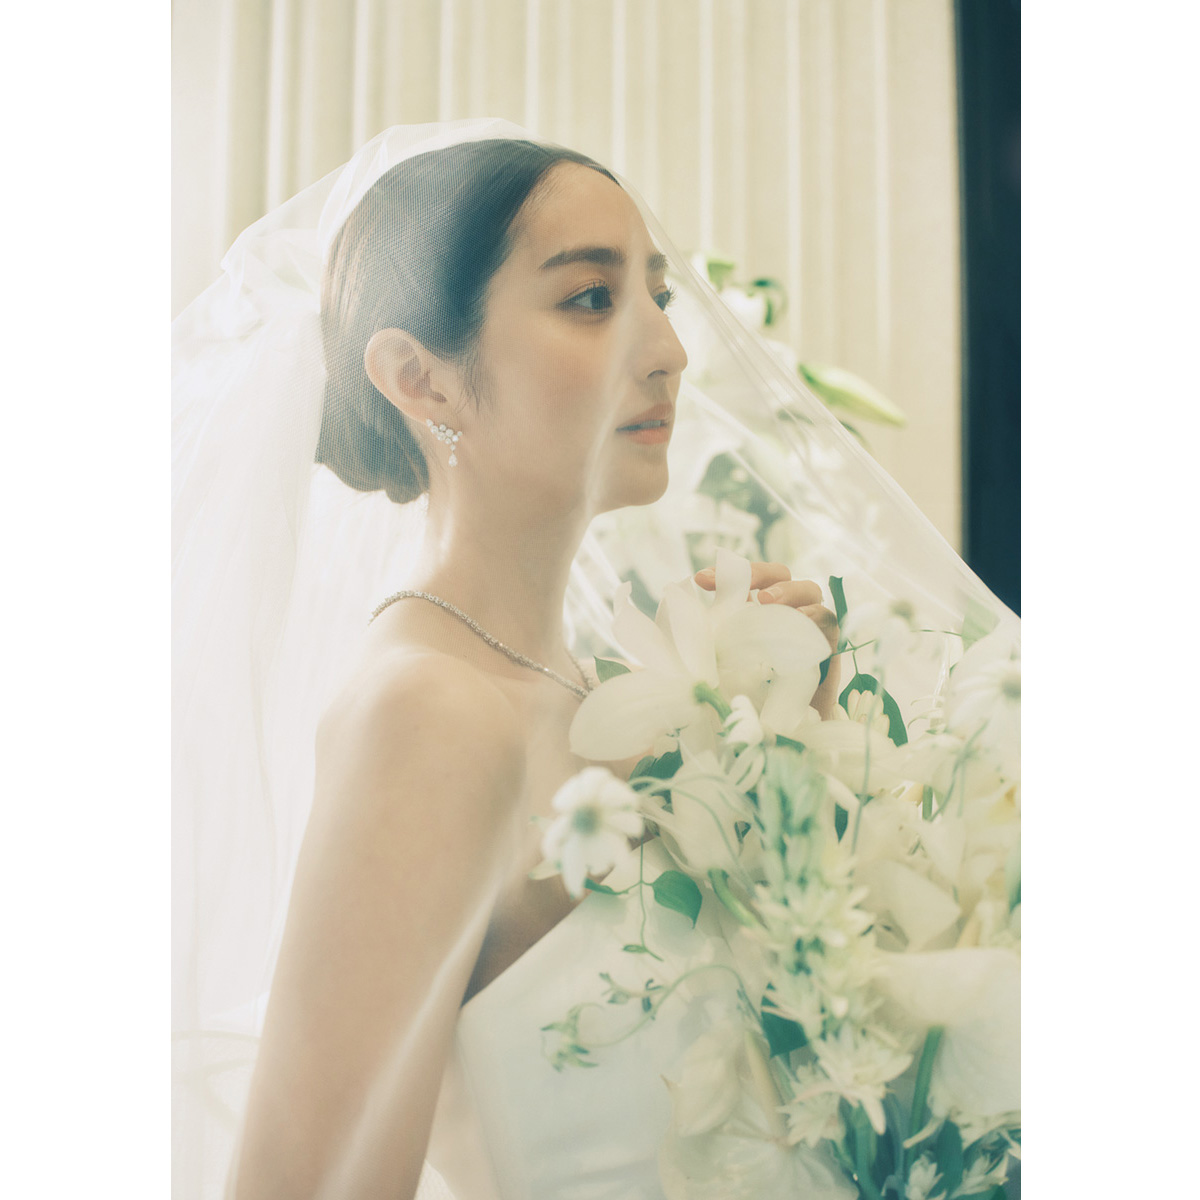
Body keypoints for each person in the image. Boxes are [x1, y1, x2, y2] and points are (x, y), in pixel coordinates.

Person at [173, 119, 1013, 1200]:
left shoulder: (615, 700)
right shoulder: (429, 712)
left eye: (658, 295)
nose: (667, 349)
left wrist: (804, 766)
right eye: (589, 297)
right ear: (420, 379)